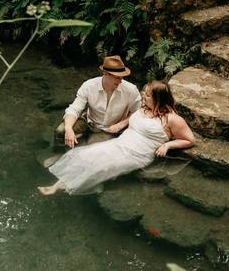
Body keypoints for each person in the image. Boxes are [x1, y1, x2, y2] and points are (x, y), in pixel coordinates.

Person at [39, 80, 196, 195]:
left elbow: (190, 140)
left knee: (100, 166)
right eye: (144, 93)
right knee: (84, 155)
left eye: (147, 95)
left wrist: (168, 145)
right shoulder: (144, 108)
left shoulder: (172, 119)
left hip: (136, 154)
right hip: (119, 143)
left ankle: (57, 188)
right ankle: (57, 184)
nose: (143, 96)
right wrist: (122, 124)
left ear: (158, 98)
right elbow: (136, 118)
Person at [55, 55, 141, 150]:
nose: (120, 81)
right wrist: (68, 128)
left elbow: (139, 112)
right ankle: (59, 153)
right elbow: (74, 109)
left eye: (122, 77)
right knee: (61, 131)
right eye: (117, 77)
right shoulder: (89, 86)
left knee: (91, 150)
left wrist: (121, 125)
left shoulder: (130, 90)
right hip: (89, 122)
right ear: (105, 73)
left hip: (109, 129)